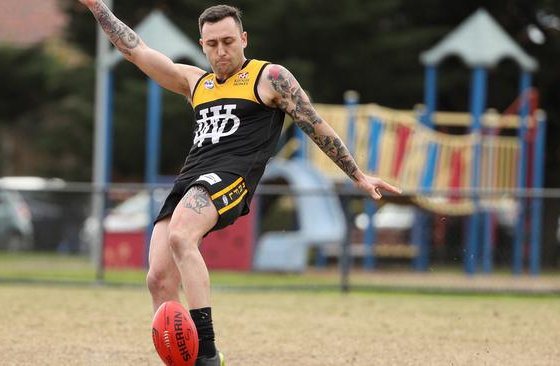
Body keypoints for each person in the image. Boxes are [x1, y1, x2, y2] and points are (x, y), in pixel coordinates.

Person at [78, 2, 402, 365]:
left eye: (229, 41)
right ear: (202, 45)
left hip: (231, 177)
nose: (221, 50)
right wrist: (96, 6)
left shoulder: (270, 77)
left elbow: (315, 124)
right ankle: (183, 359)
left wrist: (357, 174)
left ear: (244, 39)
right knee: (157, 277)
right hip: (190, 179)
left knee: (182, 235)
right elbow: (134, 49)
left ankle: (208, 352)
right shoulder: (195, 82)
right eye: (212, 43)